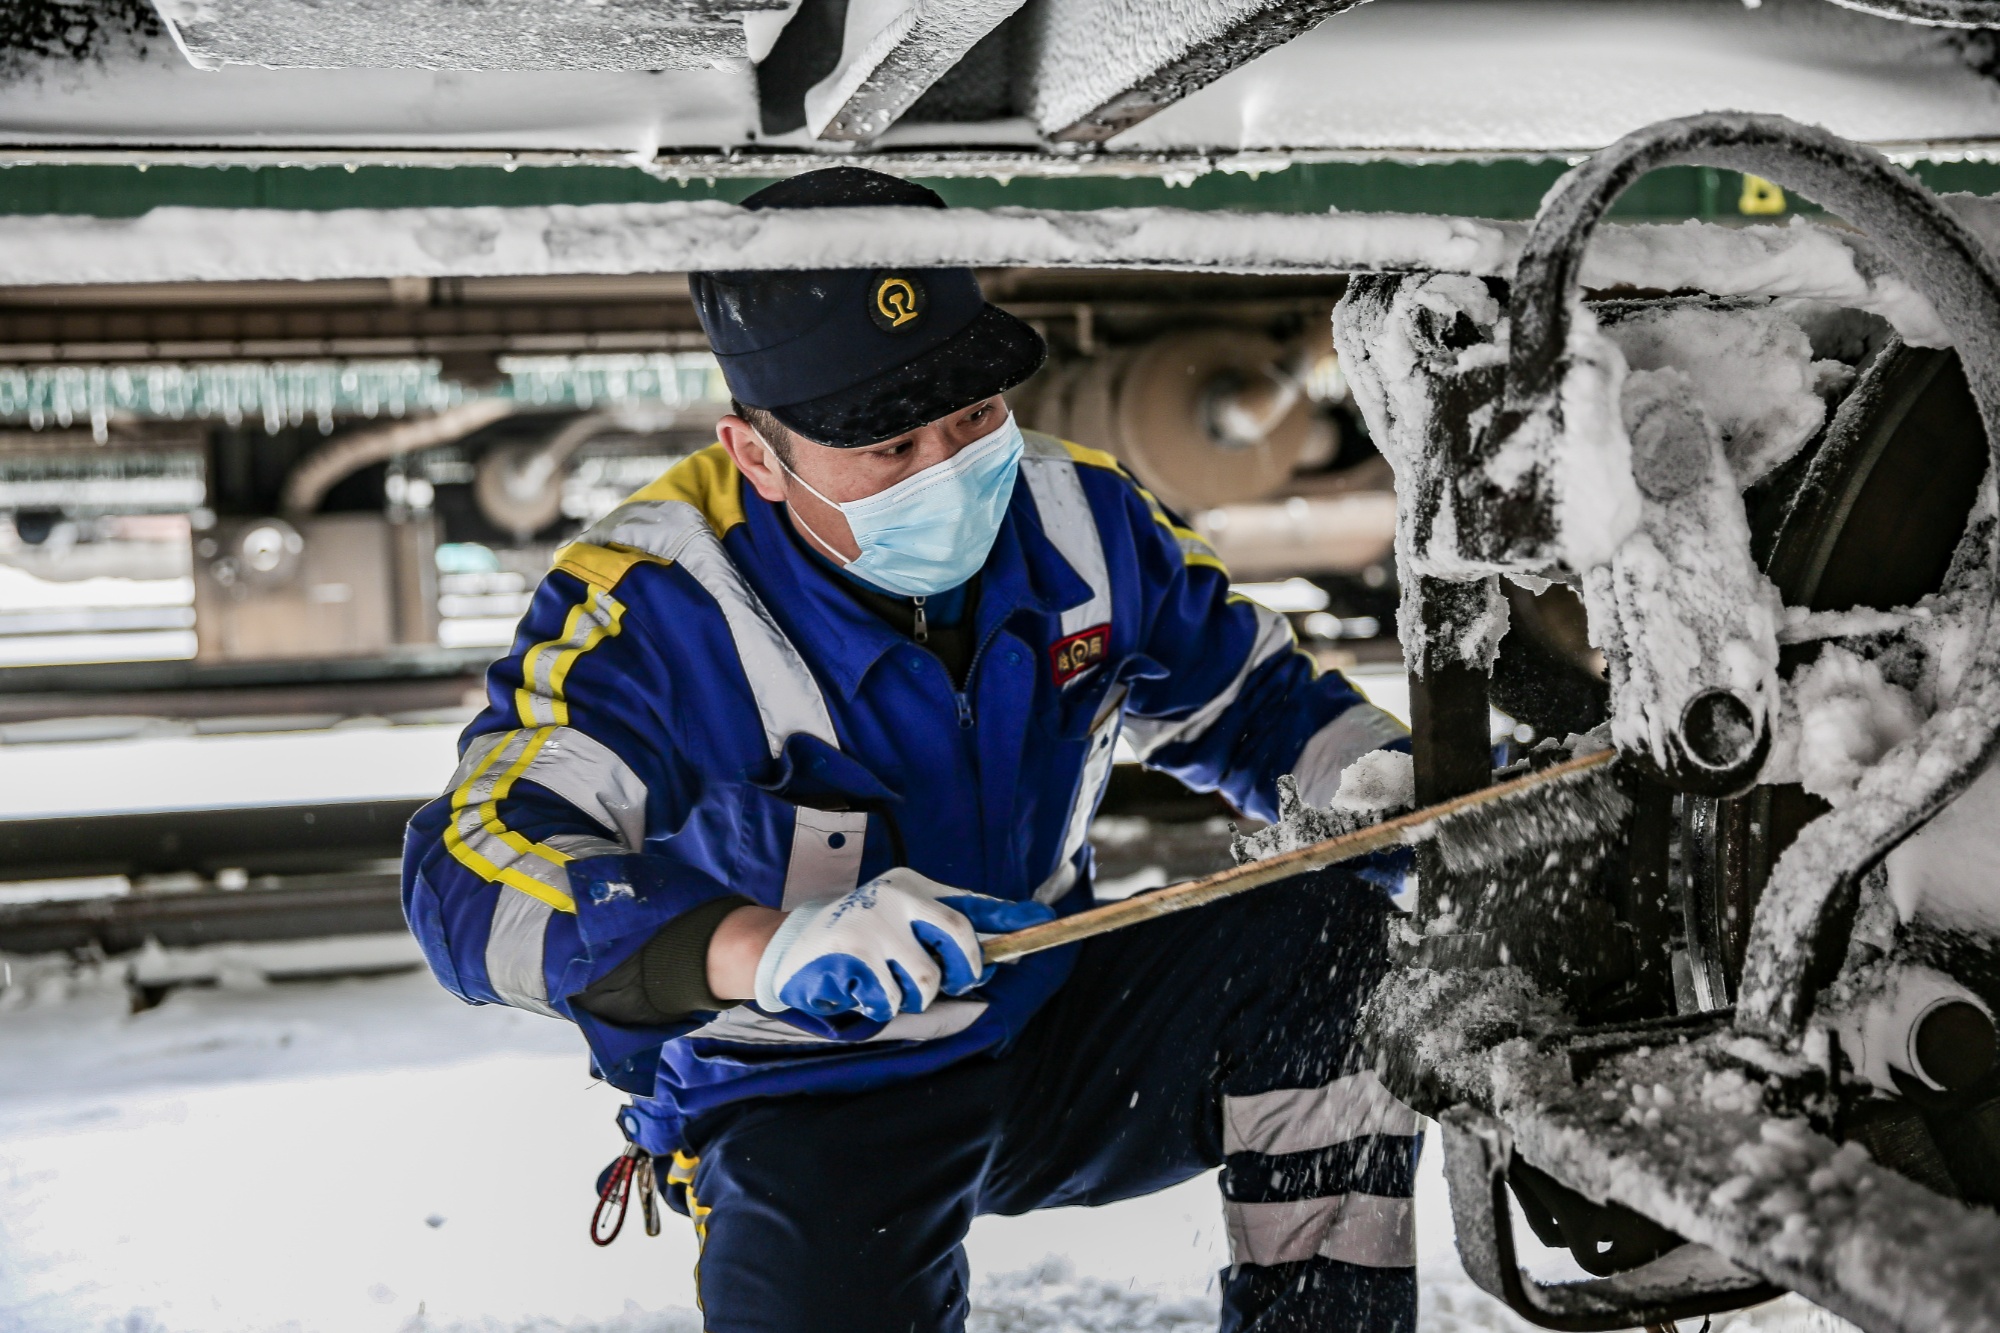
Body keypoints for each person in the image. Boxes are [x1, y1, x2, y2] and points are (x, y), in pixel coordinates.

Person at [403, 166, 1419, 1333]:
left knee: (1333, 948)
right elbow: (470, 876)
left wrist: (1396, 798)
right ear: (753, 452)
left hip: (1051, 1029)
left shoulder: (1080, 519)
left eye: (973, 414)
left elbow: (1258, 705)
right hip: (803, 1092)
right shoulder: (655, 606)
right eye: (886, 446)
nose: (947, 468)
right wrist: (762, 948)